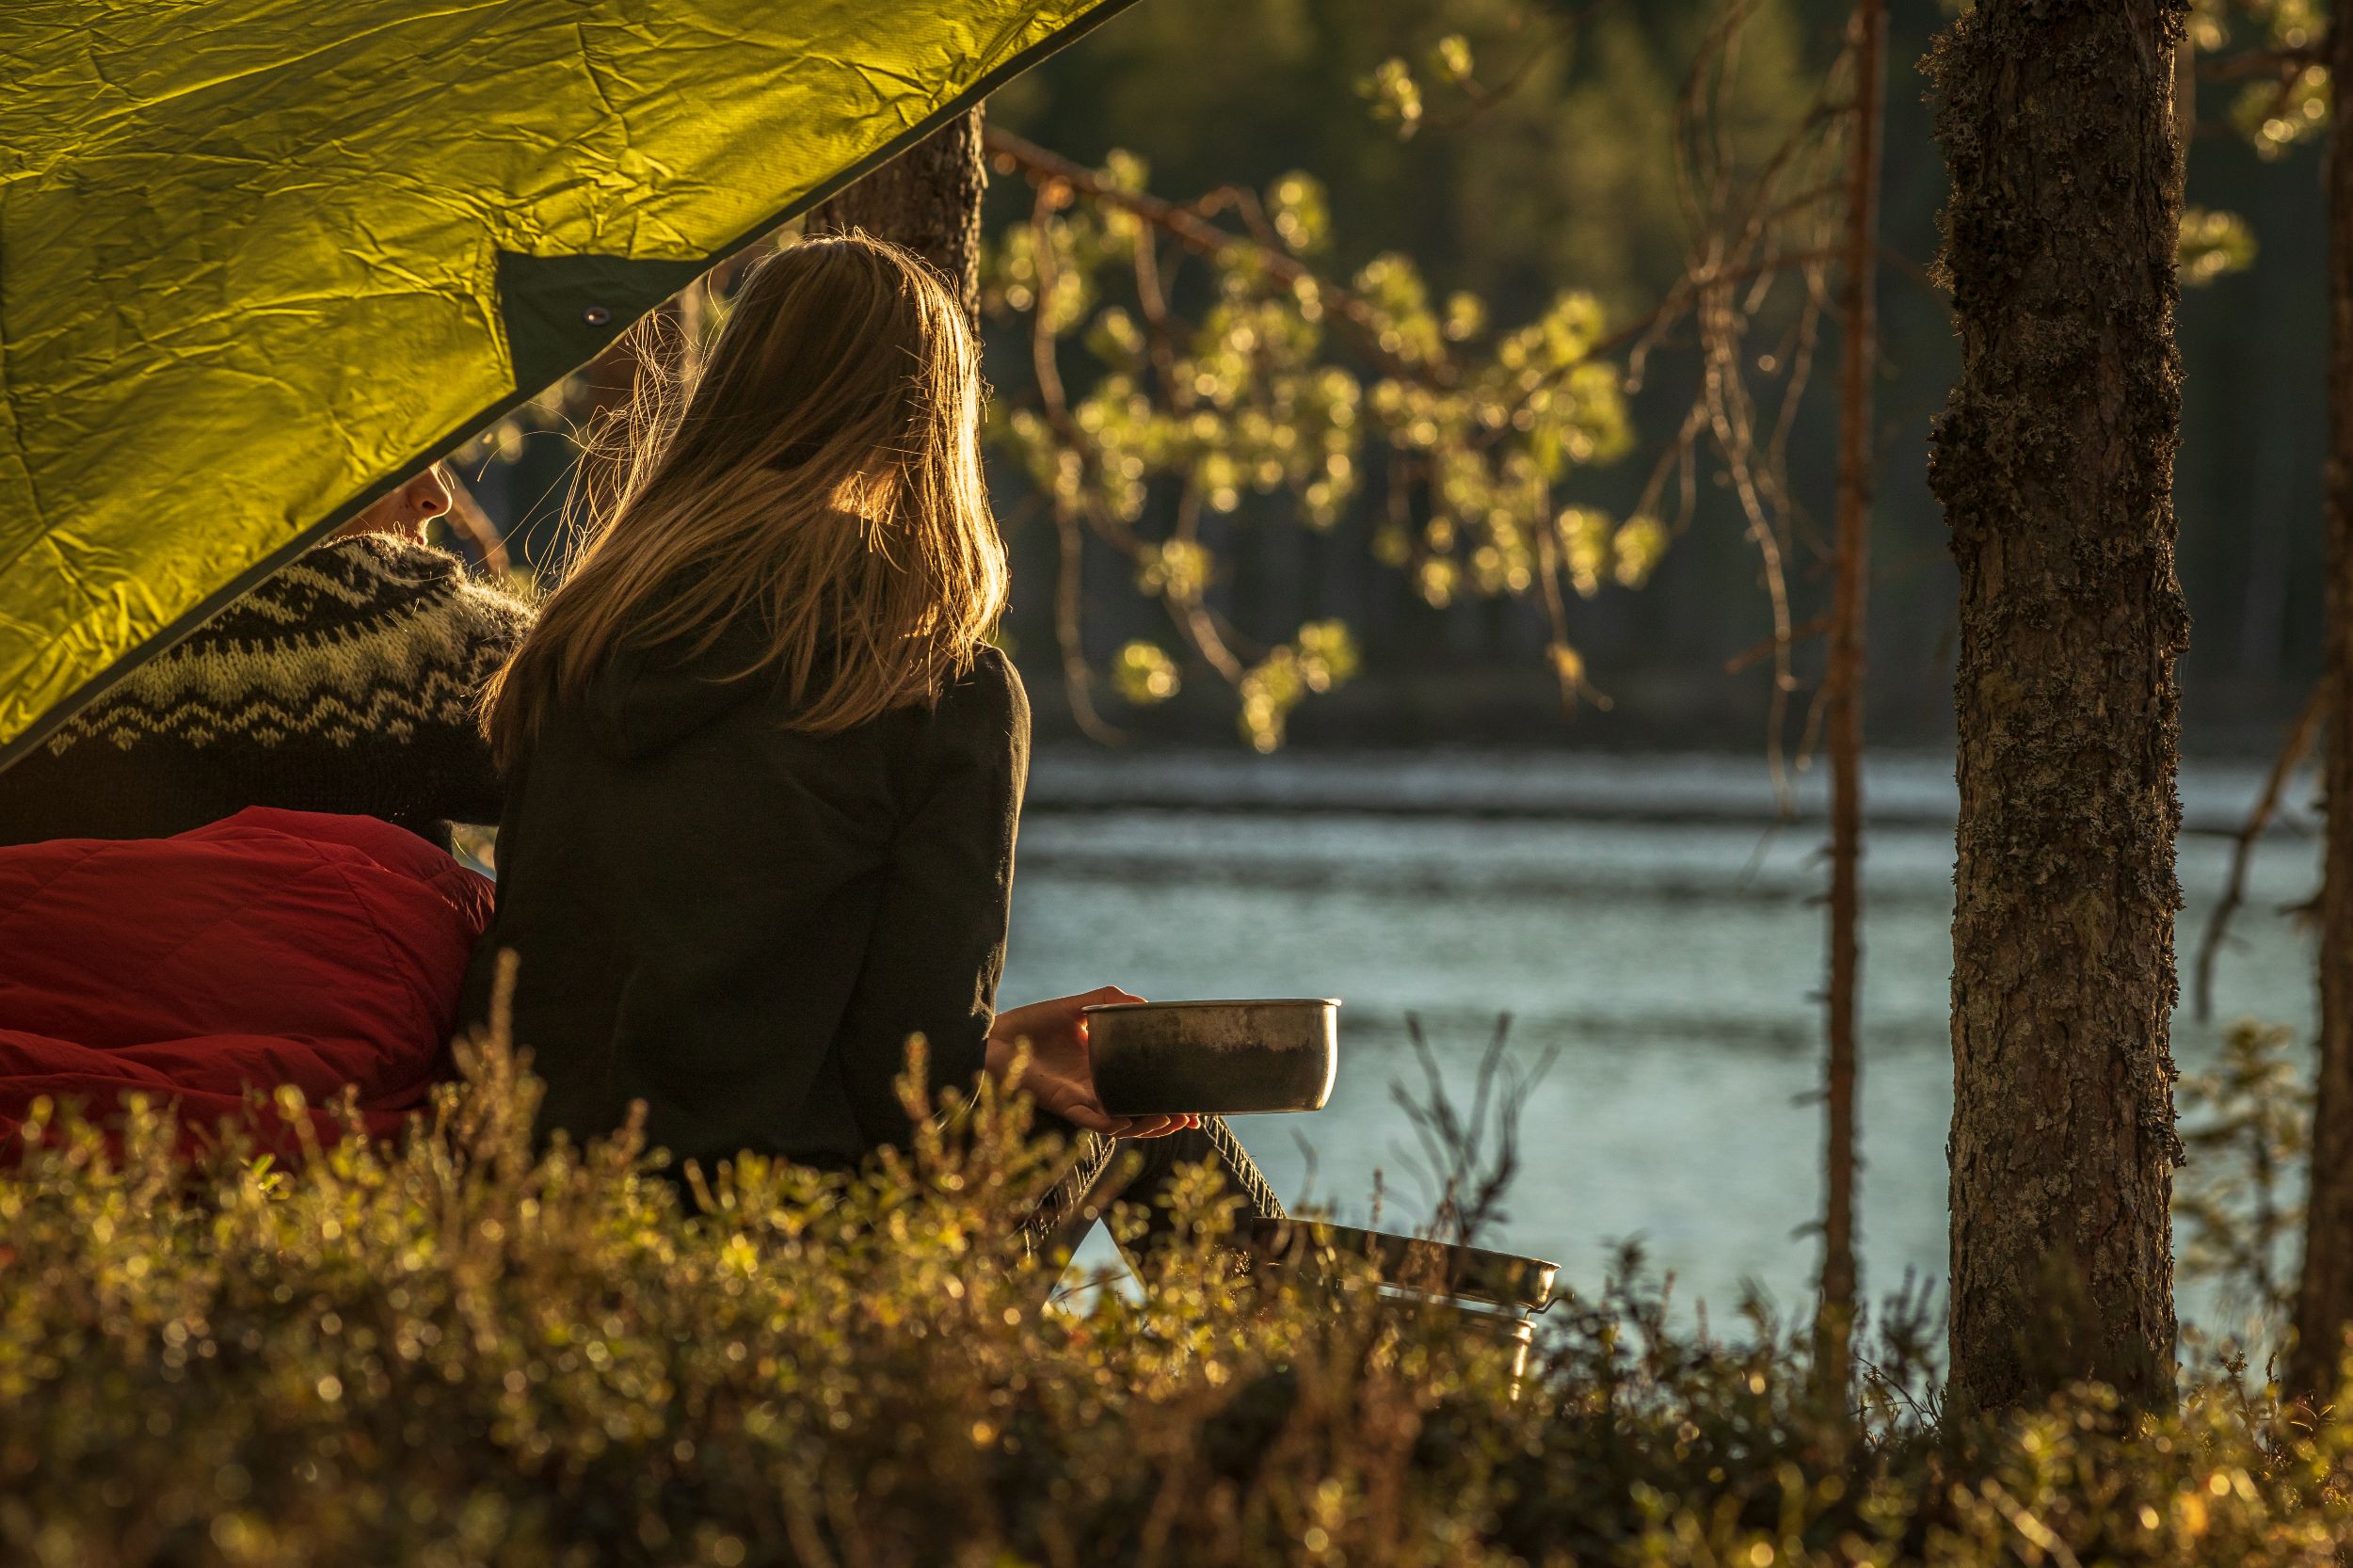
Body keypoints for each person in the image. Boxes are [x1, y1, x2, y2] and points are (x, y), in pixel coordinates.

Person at [464, 234, 1284, 1251]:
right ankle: (1346, 1397)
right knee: (1150, 1107)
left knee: (1110, 1092)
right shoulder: (937, 688)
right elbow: (907, 1091)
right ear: (929, 427)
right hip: (782, 1249)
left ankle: (1339, 1394)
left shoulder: (574, 648)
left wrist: (1007, 1045)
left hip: (544, 1219)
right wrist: (1014, 1055)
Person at [0, 464, 533, 852]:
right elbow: (595, 696)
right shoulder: (399, 628)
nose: (436, 497)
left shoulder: (39, 621)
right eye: (404, 452)